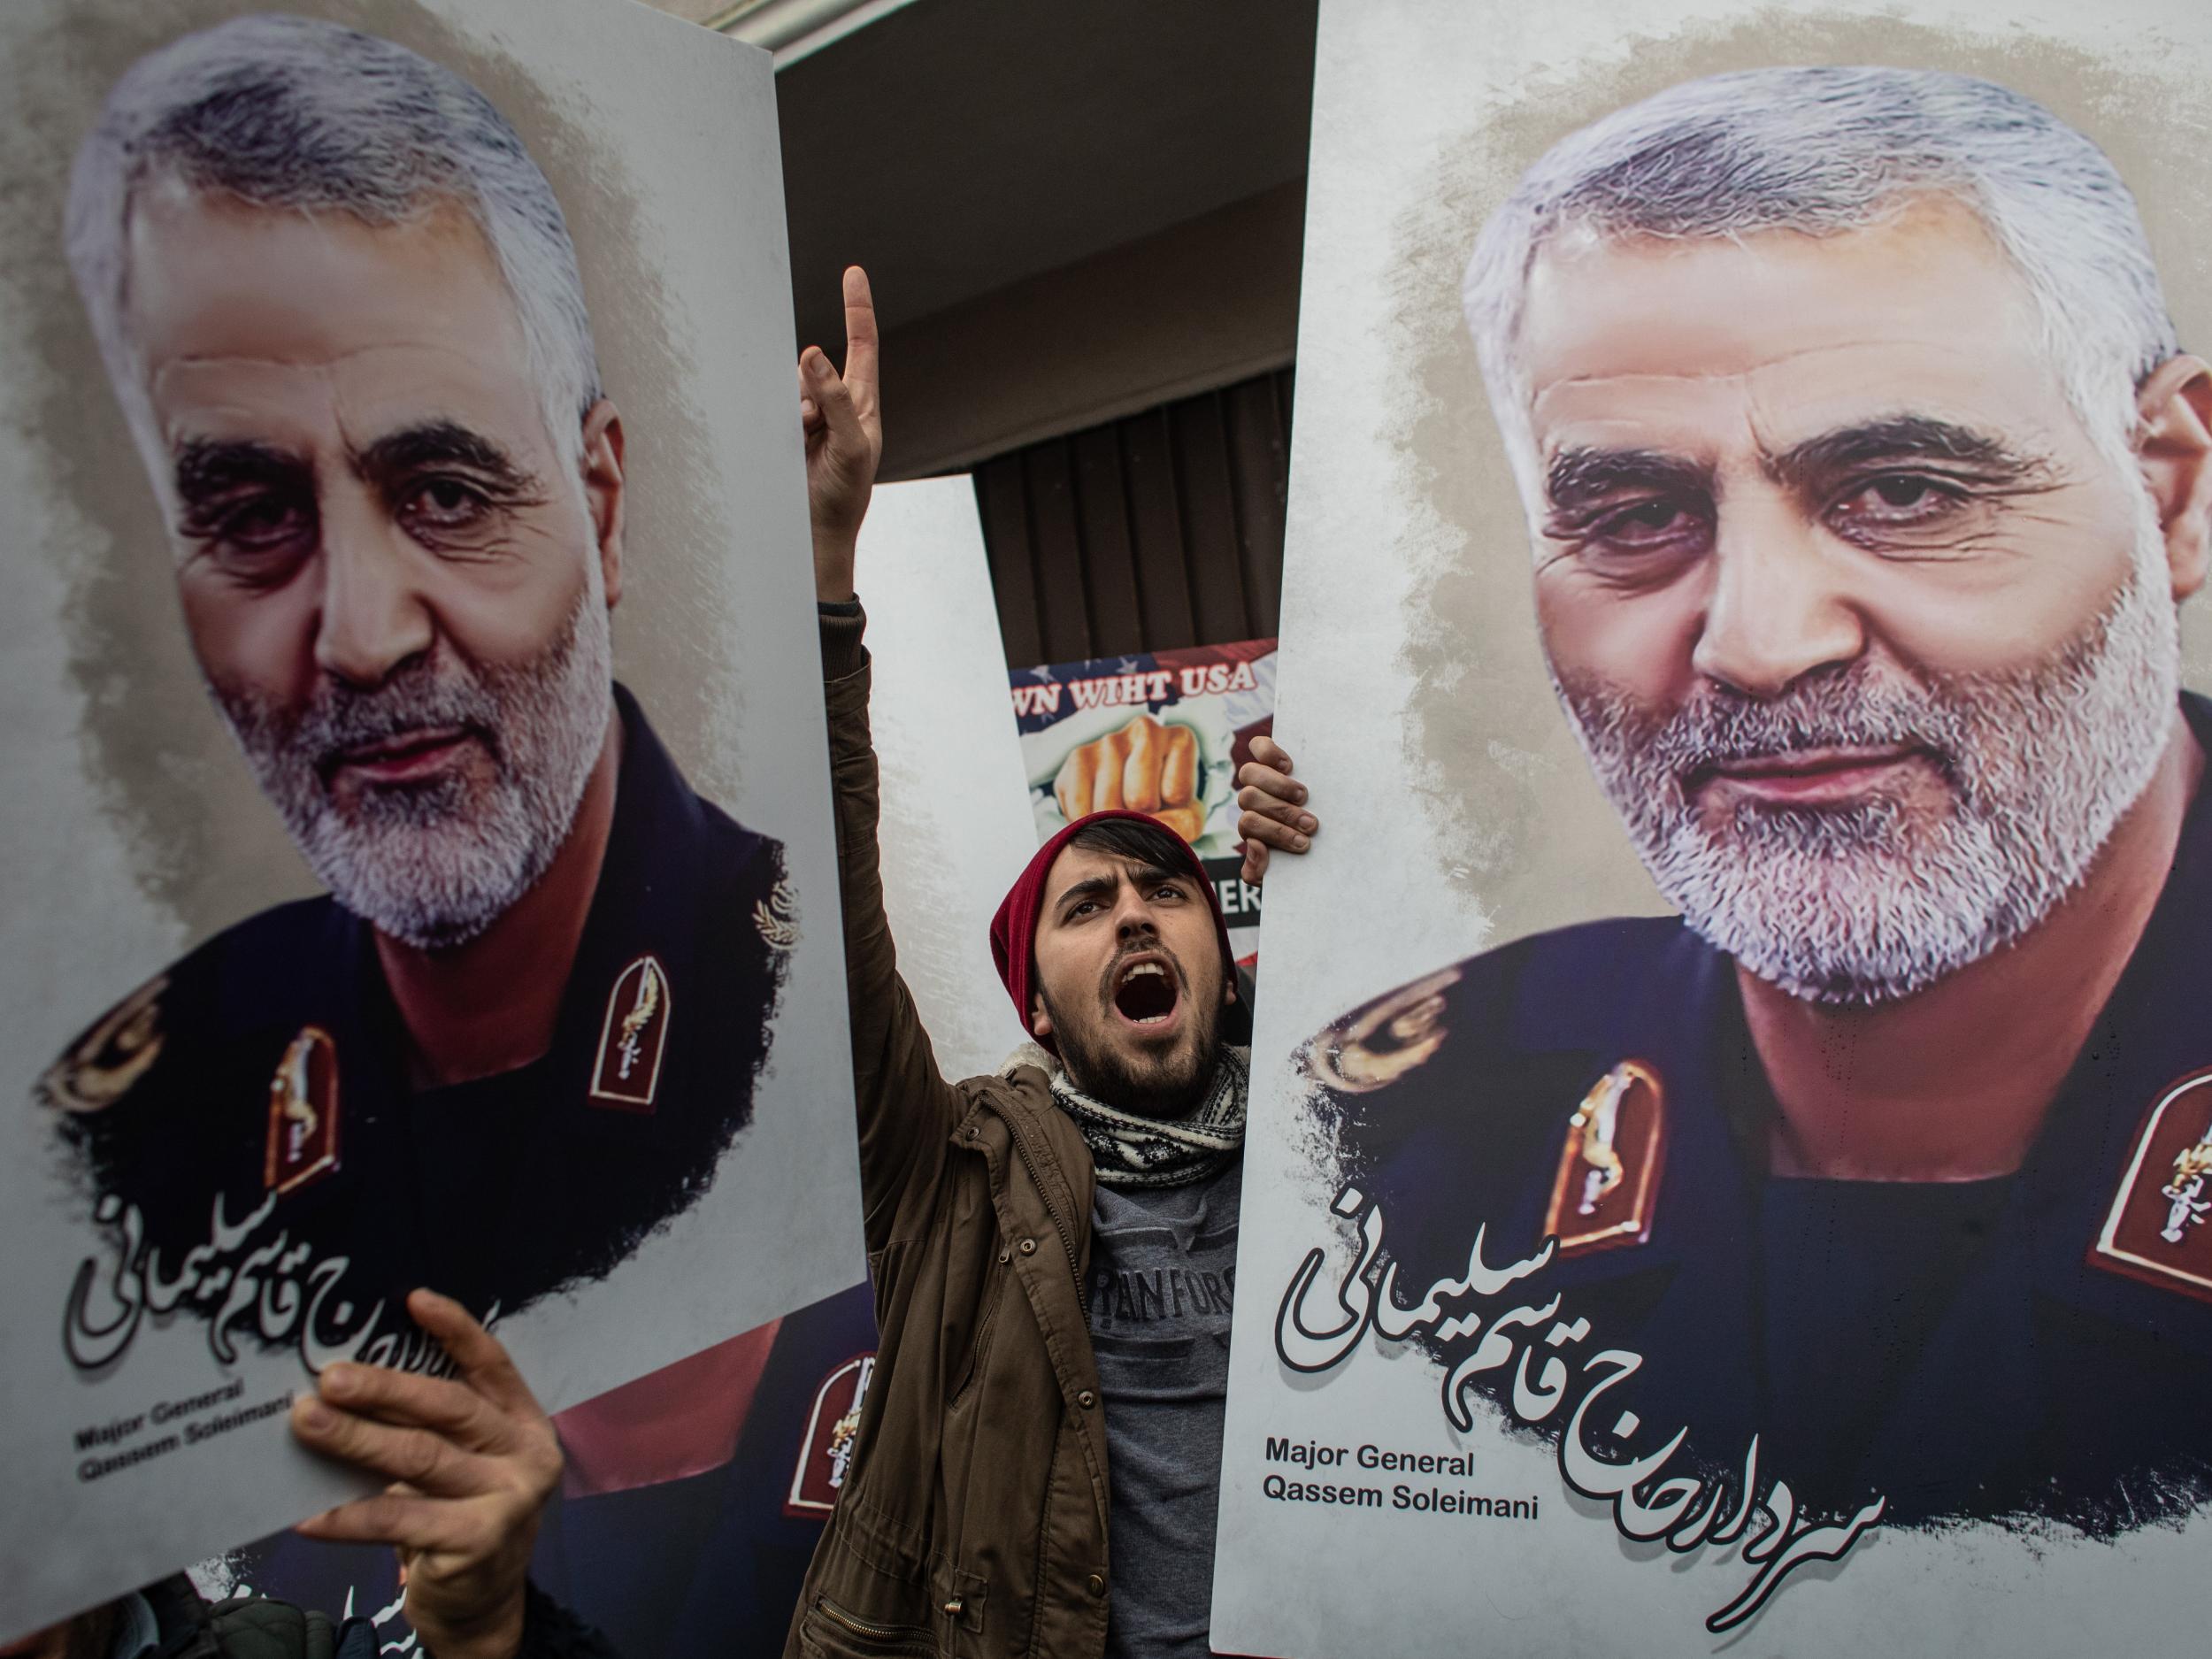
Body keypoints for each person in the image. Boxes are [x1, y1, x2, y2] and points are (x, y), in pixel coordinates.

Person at [1313, 65, 2212, 1532]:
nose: (1756, 641)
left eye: (1907, 490)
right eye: (1636, 516)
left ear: (2168, 494)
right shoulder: (1392, 1144)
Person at [40, 14, 793, 1365]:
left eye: (446, 493)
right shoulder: (125, 1130)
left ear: (602, 511)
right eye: (254, 514)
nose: (363, 637)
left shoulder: (804, 1021)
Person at [782, 267, 1319, 1658]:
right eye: (1087, 907)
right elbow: (837, 935)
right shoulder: (951, 1172)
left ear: (1223, 949)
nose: (1137, 914)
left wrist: (1341, 881)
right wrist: (826, 580)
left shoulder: (1338, 1144)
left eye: (1166, 889)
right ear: (1033, 1000)